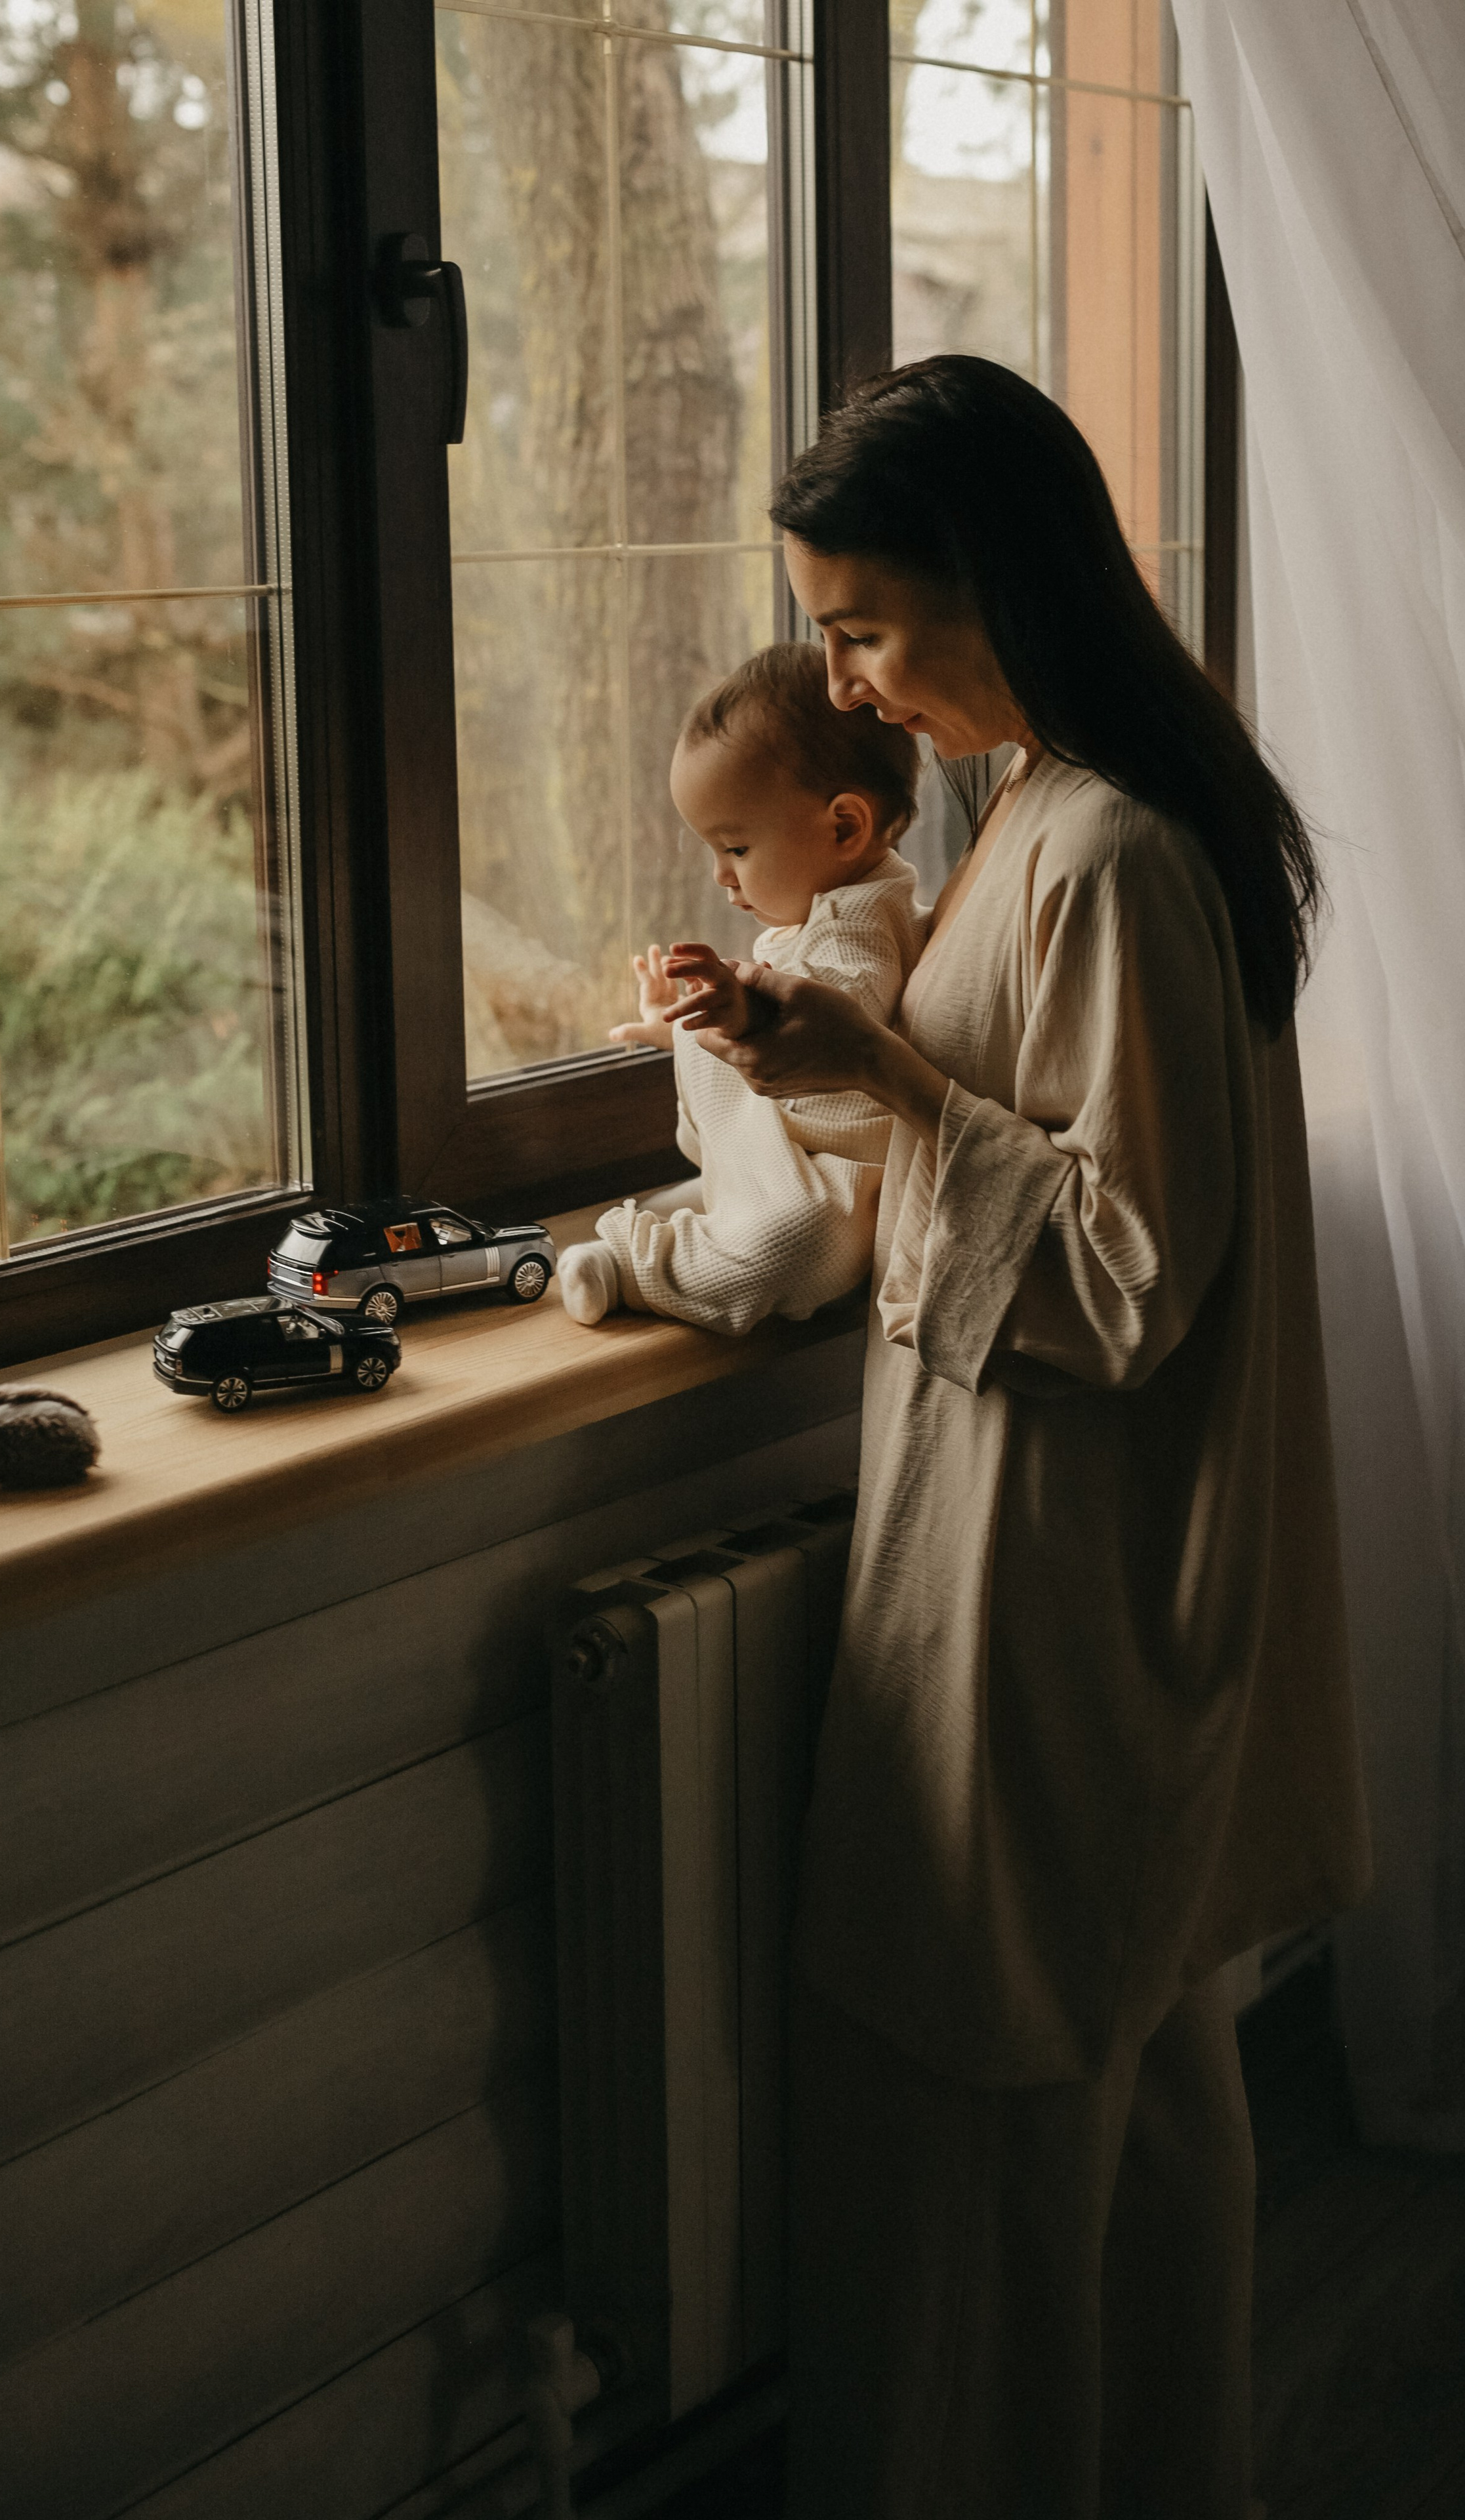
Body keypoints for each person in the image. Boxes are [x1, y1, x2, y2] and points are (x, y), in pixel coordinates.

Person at [669, 356, 1373, 2518]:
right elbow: (1012, 1151)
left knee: (996, 2105)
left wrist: (883, 1079)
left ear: (1001, 582)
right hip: (1055, 1551)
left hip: (1062, 1572)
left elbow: (1129, 1273)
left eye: (868, 628)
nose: (855, 696)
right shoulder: (1053, 816)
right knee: (1116, 2092)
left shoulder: (1115, 860)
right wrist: (827, 1053)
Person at [557, 642, 926, 1334]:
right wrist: (686, 1027)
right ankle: (663, 1238)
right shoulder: (828, 904)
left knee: (800, 1245)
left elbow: (836, 1008)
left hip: (839, 1171)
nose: (722, 876)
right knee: (748, 1209)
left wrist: (744, 1010)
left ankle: (631, 1267)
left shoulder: (861, 922)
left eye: (737, 848)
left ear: (845, 826)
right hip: (785, 1148)